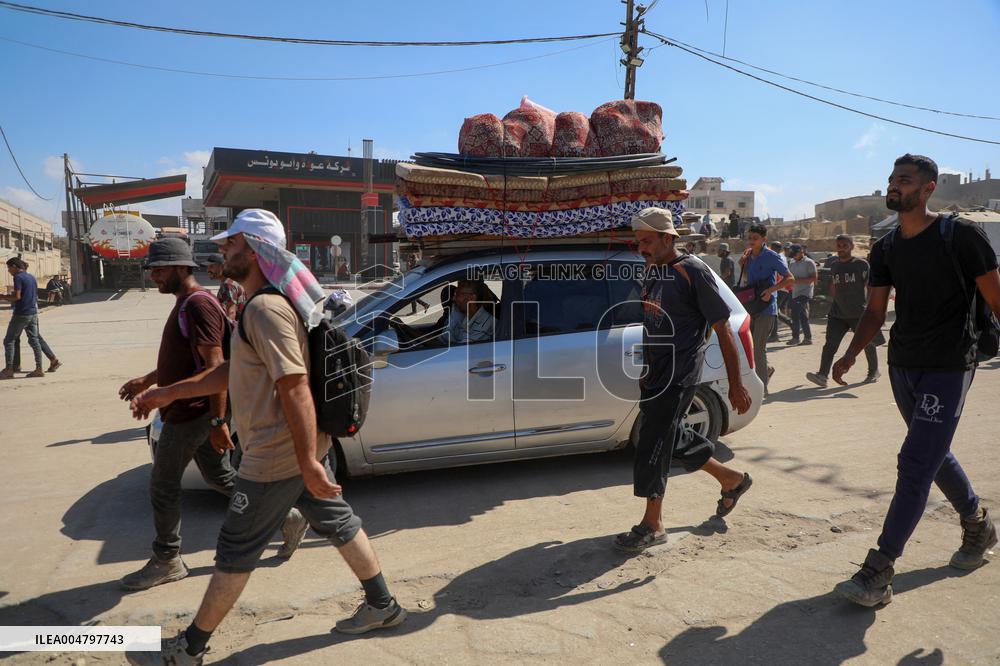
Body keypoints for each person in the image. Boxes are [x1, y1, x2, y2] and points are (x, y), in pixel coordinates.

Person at [126, 209, 406, 664]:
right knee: (339, 523)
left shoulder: (265, 309)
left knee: (236, 548)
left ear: (255, 250)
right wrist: (167, 392)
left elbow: (293, 385)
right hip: (296, 450)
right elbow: (233, 371)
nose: (221, 250)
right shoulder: (264, 305)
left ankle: (189, 649)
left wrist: (308, 462)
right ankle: (383, 606)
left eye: (230, 243)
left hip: (277, 455)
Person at [831, 154, 1000, 607]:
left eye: (904, 181)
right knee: (932, 452)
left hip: (950, 363)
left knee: (915, 460)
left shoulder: (961, 236)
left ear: (928, 189)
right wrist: (850, 354)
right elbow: (874, 311)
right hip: (903, 363)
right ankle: (979, 525)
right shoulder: (886, 248)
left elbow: (996, 297)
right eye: (891, 180)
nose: (893, 186)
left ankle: (878, 570)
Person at [614, 207, 754, 553]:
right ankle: (730, 479)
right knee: (669, 435)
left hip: (680, 372)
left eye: (647, 241)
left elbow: (722, 328)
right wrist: (646, 367)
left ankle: (652, 524)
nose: (641, 247)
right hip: (655, 374)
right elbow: (652, 324)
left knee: (652, 444)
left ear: (667, 237)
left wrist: (736, 385)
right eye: (638, 242)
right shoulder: (651, 269)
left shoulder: (693, 271)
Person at [117, 238, 242, 591]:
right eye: (152, 269)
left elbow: (217, 368)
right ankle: (285, 516)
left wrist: (219, 422)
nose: (154, 275)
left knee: (163, 484)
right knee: (220, 477)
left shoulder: (198, 305)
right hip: (196, 411)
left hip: (193, 413)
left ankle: (167, 559)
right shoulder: (188, 303)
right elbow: (188, 361)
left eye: (159, 269)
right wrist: (148, 379)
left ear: (181, 268)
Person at [806, 235, 880, 387]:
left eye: (844, 245)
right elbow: (833, 286)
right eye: (839, 245)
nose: (841, 248)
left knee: (867, 343)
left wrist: (870, 307)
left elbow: (870, 286)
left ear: (852, 247)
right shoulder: (834, 265)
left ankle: (873, 371)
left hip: (858, 313)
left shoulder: (861, 264)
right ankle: (822, 375)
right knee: (830, 345)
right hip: (837, 314)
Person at [738, 224, 794, 394]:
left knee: (759, 348)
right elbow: (747, 279)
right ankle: (766, 370)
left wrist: (771, 291)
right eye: (750, 238)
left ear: (764, 239)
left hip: (767, 308)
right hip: (751, 306)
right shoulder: (748, 256)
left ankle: (762, 389)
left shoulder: (772, 256)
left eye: (755, 239)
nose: (752, 241)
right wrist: (742, 265)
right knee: (750, 346)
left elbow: (789, 278)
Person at [1, 257, 61, 378]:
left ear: (14, 266)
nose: (8, 271)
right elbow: (26, 294)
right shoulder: (32, 277)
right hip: (33, 312)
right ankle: (39, 368)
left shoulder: (17, 277)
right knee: (34, 340)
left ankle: (9, 369)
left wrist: (3, 297)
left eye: (8, 268)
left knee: (9, 340)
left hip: (21, 313)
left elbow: (17, 297)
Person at [441, 279, 495, 345]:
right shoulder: (462, 315)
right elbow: (444, 340)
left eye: (457, 294)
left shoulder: (486, 325)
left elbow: (458, 351)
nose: (453, 299)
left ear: (472, 298)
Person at [785, 244, 816, 346]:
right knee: (803, 316)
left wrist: (796, 281)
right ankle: (808, 338)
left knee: (795, 313)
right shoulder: (792, 262)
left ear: (801, 252)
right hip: (794, 292)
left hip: (805, 293)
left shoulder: (809, 263)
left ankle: (795, 337)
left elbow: (813, 279)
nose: (794, 256)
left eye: (795, 254)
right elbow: (789, 277)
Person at [204, 253, 246, 319]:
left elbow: (231, 313)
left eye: (211, 266)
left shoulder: (228, 285)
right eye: (207, 267)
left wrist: (227, 329)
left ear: (222, 266)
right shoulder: (231, 281)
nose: (208, 270)